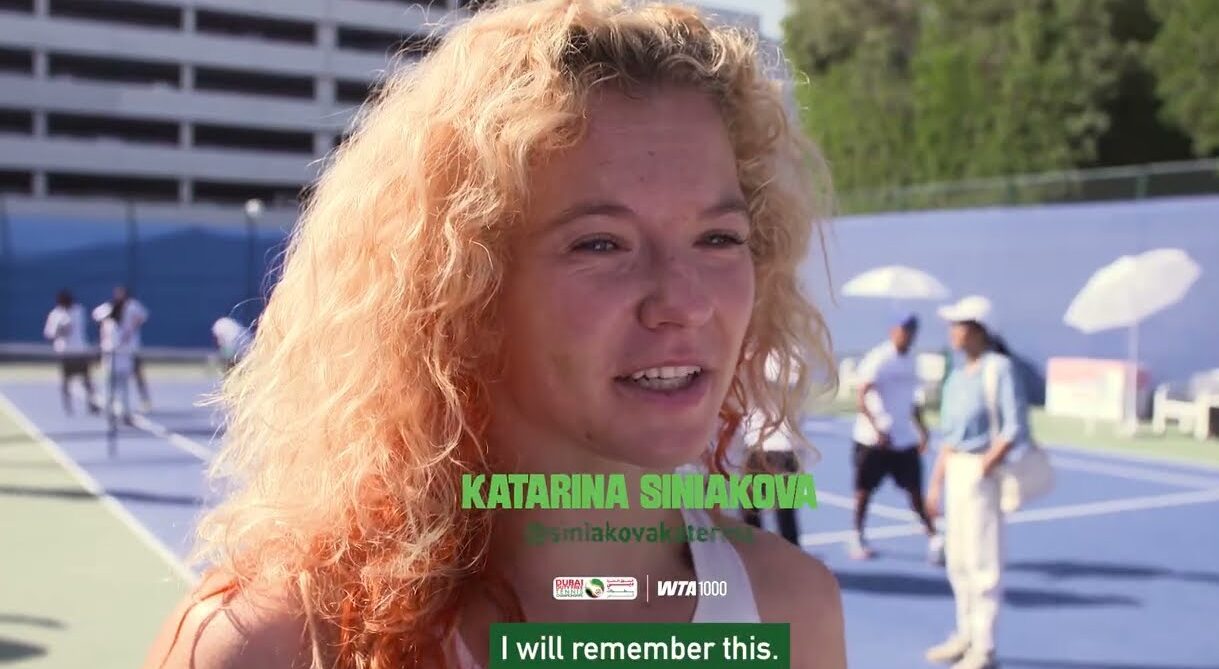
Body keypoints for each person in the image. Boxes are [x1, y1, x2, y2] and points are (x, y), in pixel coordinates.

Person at [141, 2, 847, 668]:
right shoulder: (279, 645)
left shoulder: (791, 615)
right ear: (461, 288)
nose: (684, 301)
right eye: (601, 243)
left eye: (719, 237)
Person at [924, 295, 1029, 669]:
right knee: (958, 559)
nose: (953, 331)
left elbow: (1014, 428)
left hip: (981, 474)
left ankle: (983, 648)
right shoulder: (956, 375)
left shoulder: (998, 369)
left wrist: (984, 467)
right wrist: (936, 485)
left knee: (983, 561)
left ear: (978, 330)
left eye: (960, 324)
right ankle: (965, 634)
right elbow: (949, 439)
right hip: (956, 472)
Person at [848, 313, 942, 564]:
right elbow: (861, 397)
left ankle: (934, 538)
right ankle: (857, 535)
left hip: (903, 439)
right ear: (893, 331)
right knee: (864, 491)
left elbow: (913, 402)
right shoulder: (878, 358)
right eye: (903, 329)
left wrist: (922, 430)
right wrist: (877, 429)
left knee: (915, 492)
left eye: (911, 330)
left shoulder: (912, 361)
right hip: (873, 440)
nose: (907, 334)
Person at [741, 355, 806, 546]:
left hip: (773, 447)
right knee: (760, 511)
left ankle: (761, 557)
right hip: (768, 447)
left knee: (762, 512)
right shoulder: (789, 359)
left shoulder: (772, 361)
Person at [93, 286, 151, 412]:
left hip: (130, 349)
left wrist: (130, 330)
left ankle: (144, 400)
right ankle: (110, 403)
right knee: (111, 379)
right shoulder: (109, 310)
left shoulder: (133, 306)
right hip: (111, 352)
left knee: (135, 374)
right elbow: (97, 316)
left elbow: (142, 317)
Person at [43, 289, 98, 415]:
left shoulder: (78, 310)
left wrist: (65, 328)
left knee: (87, 379)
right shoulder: (55, 314)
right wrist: (59, 330)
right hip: (65, 352)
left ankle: (91, 404)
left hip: (80, 351)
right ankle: (68, 407)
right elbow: (50, 333)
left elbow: (73, 327)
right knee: (66, 380)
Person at [97, 296, 137, 425]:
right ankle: (111, 414)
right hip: (111, 361)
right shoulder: (108, 325)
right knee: (110, 389)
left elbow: (126, 339)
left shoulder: (124, 325)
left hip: (122, 361)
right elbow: (109, 342)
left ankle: (124, 414)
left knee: (122, 390)